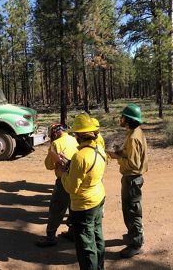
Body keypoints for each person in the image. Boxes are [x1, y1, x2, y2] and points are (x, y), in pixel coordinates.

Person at [60, 114, 107, 269]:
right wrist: (70, 166)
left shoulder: (80, 156)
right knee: (97, 236)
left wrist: (63, 173)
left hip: (83, 206)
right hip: (98, 198)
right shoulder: (99, 148)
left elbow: (71, 188)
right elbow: (89, 172)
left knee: (86, 245)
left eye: (75, 134)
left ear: (79, 135)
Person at [107, 104, 148, 259]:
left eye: (123, 117)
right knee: (131, 210)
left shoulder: (133, 137)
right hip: (132, 178)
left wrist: (117, 157)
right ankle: (134, 234)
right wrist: (121, 153)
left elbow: (134, 164)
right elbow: (132, 156)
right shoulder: (136, 132)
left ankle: (136, 244)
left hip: (132, 178)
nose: (121, 119)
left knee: (132, 212)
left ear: (129, 120)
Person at [36, 123, 79, 247]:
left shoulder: (56, 144)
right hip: (76, 180)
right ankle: (72, 232)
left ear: (54, 134)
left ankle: (50, 237)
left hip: (64, 180)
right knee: (73, 207)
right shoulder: (74, 139)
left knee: (57, 208)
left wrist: (51, 151)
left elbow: (49, 166)